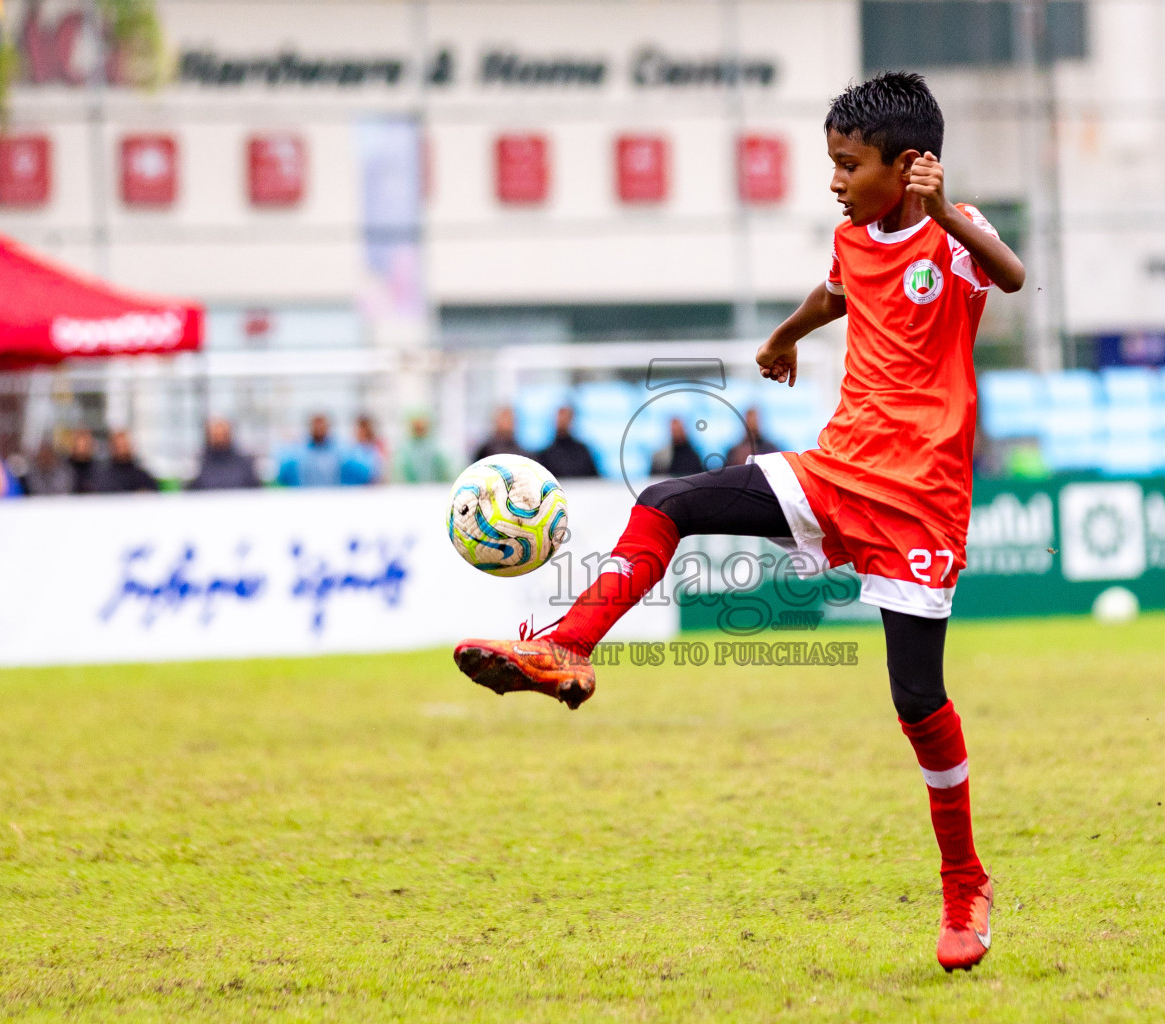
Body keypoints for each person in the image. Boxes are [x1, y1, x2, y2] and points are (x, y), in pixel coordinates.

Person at [452, 72, 1025, 973]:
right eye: (831, 163)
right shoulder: (851, 234)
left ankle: (964, 883)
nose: (834, 181)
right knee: (667, 501)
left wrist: (946, 210)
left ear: (909, 166)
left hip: (919, 498)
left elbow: (1010, 275)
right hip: (837, 471)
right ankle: (567, 648)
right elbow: (839, 291)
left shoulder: (954, 233)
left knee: (915, 700)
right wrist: (784, 337)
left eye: (848, 165)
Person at [187, 417, 262, 490]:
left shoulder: (245, 465)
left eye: (223, 433)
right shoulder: (198, 465)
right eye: (216, 434)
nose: (219, 437)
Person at [277, 414, 346, 487]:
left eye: (322, 425)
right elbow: (283, 476)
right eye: (316, 425)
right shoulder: (297, 454)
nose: (319, 428)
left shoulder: (341, 453)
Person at [538, 406, 600, 478]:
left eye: (566, 416)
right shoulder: (545, 455)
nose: (562, 420)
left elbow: (595, 480)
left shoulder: (583, 452)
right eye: (560, 416)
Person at [90, 429, 159, 493]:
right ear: (111, 447)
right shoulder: (101, 477)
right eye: (118, 445)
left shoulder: (142, 476)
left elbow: (154, 494)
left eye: (124, 444)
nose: (121, 448)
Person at [397, 415, 452, 484]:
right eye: (416, 424)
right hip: (410, 492)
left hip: (435, 491)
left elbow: (444, 472)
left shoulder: (436, 448)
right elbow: (400, 475)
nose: (420, 426)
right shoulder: (405, 450)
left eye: (422, 423)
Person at [349, 414, 388, 484]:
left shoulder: (377, 446)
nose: (362, 431)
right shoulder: (352, 448)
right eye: (360, 428)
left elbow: (380, 469)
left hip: (374, 486)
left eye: (365, 428)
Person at [66, 428, 97, 494]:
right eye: (78, 441)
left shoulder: (99, 470)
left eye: (85, 441)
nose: (81, 445)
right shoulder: (64, 469)